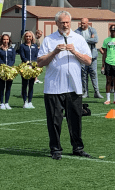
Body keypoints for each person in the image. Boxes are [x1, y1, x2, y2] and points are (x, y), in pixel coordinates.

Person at [37, 10, 92, 160]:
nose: (65, 25)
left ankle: (78, 148)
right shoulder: (49, 40)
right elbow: (40, 62)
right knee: (54, 120)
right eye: (62, 22)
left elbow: (88, 61)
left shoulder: (79, 39)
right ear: (56, 23)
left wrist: (75, 51)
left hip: (74, 87)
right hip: (54, 87)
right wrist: (54, 52)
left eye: (67, 22)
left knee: (75, 120)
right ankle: (55, 149)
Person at [74, 18, 103, 99]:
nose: (82, 25)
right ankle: (85, 92)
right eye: (81, 23)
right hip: (82, 57)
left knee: (93, 74)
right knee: (83, 75)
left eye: (83, 23)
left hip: (92, 56)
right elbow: (76, 41)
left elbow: (96, 40)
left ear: (87, 23)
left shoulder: (92, 30)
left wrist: (83, 39)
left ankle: (96, 92)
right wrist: (90, 39)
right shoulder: (77, 31)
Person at [0, 34, 16, 110]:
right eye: (4, 39)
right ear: (1, 40)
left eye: (7, 39)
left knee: (8, 87)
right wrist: (4, 67)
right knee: (2, 87)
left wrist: (9, 67)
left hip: (10, 70)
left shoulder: (12, 49)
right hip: (2, 70)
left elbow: (13, 59)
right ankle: (1, 103)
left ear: (9, 40)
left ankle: (6, 103)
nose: (5, 41)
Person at [19, 31, 39, 109]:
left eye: (29, 36)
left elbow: (37, 55)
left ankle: (30, 101)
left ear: (32, 37)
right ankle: (25, 102)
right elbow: (22, 56)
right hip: (25, 67)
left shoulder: (35, 46)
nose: (28, 38)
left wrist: (35, 64)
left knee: (31, 85)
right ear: (24, 37)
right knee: (24, 85)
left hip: (33, 68)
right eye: (26, 36)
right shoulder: (22, 46)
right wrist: (28, 63)